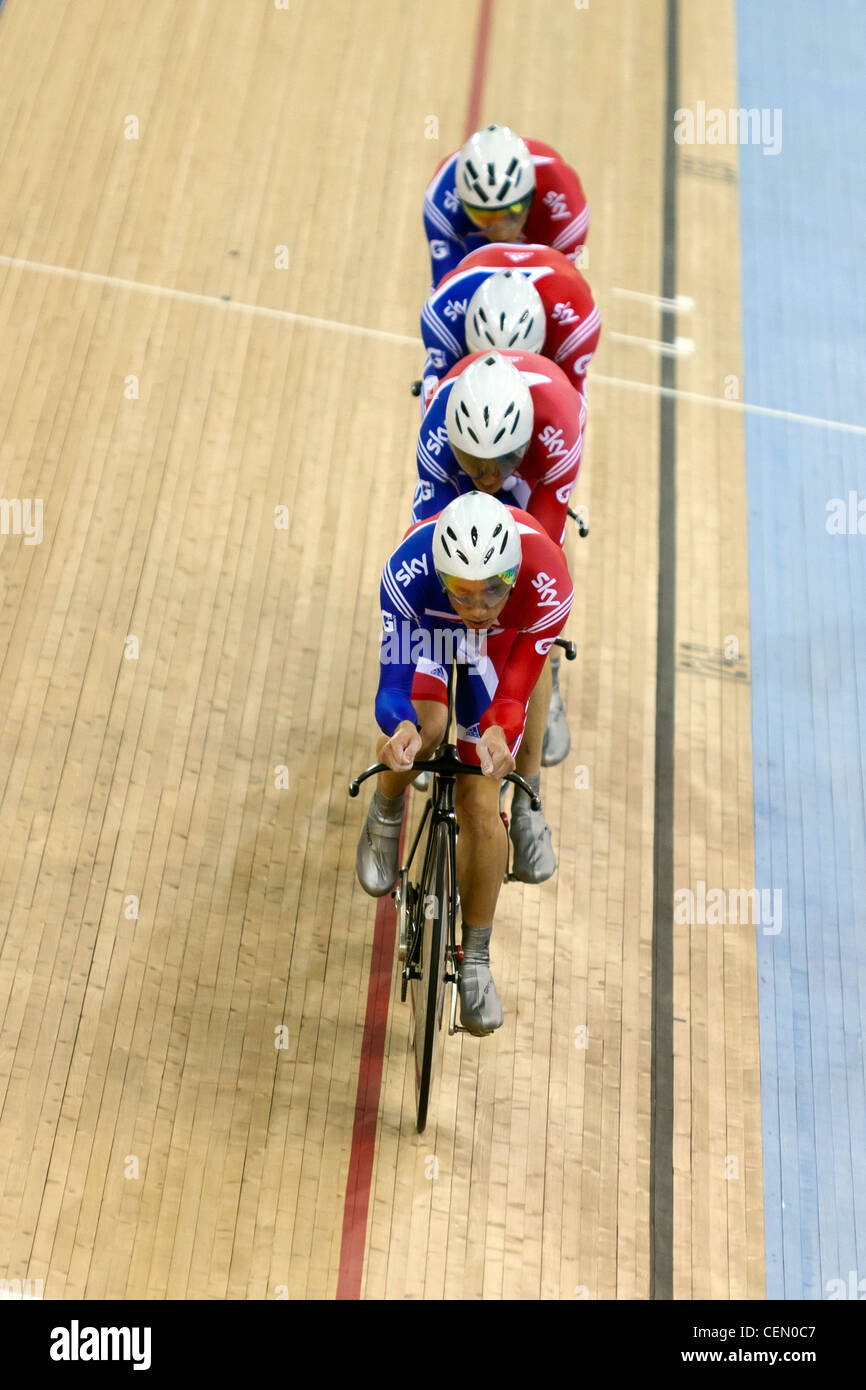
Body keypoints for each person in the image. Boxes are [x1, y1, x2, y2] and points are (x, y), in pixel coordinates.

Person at [355, 492, 573, 1035]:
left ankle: (474, 959)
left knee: (480, 800)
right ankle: (385, 812)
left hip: (501, 649)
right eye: (465, 594)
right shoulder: (409, 571)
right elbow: (393, 688)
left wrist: (500, 733)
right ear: (441, 574)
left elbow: (515, 692)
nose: (478, 608)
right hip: (431, 630)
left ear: (515, 573)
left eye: (493, 591)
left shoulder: (547, 579)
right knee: (424, 732)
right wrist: (399, 728)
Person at [414, 350, 582, 779]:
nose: (489, 479)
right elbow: (427, 540)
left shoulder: (557, 423)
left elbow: (543, 554)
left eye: (501, 463)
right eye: (475, 464)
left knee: (526, 608)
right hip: (467, 475)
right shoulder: (438, 426)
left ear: (522, 442)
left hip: (535, 473)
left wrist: (506, 619)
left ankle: (530, 797)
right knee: (457, 563)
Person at [419, 246, 601, 411]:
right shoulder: (440, 315)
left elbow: (573, 403)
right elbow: (442, 392)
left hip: (560, 286)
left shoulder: (578, 328)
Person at [423, 124, 589, 288]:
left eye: (512, 212)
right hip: (477, 242)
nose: (500, 232)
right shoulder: (439, 204)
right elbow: (445, 289)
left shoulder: (567, 212)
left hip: (540, 233)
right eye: (483, 217)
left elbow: (562, 288)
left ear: (531, 194)